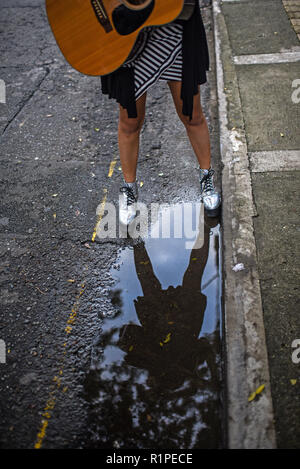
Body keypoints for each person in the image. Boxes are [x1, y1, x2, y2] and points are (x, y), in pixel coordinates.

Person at [101, 1, 221, 225]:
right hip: (128, 33)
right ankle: (130, 189)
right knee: (130, 122)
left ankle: (206, 177)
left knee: (192, 115)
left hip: (173, 29)